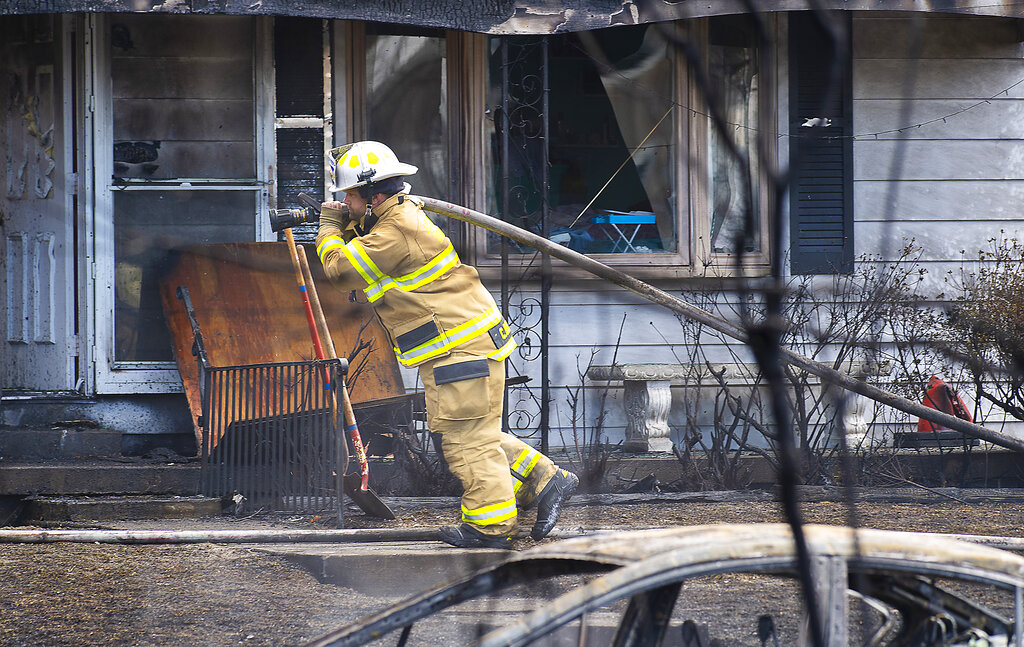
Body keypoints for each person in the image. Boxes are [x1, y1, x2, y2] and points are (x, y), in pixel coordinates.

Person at [315, 141, 578, 549]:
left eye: (349, 195)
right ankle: (546, 480)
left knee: (463, 440)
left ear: (374, 197)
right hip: (467, 345)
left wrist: (328, 227)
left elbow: (340, 270)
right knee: (473, 431)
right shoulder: (395, 218)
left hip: (459, 349)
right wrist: (347, 219)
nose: (344, 202)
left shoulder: (396, 230)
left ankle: (489, 529)